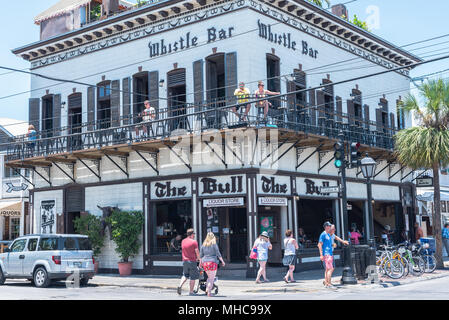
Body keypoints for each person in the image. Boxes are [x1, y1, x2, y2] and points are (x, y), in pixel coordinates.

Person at [318, 222, 349, 289]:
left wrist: (334, 244)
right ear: (326, 227)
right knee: (330, 269)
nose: (332, 228)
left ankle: (326, 283)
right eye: (329, 226)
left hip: (330, 253)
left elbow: (330, 242)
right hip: (327, 254)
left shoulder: (328, 235)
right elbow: (319, 244)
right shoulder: (323, 234)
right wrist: (321, 255)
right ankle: (329, 284)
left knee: (327, 269)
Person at [199, 232, 226, 297]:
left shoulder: (203, 245)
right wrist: (222, 261)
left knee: (209, 278)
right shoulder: (214, 244)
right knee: (212, 279)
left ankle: (207, 289)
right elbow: (218, 254)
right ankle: (209, 292)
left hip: (205, 263)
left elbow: (201, 255)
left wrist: (200, 263)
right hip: (212, 262)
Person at [177, 228, 200, 296]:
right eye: (194, 234)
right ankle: (191, 292)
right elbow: (197, 252)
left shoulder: (183, 241)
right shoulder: (194, 242)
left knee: (185, 275)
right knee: (193, 277)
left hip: (185, 261)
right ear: (192, 234)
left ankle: (180, 285)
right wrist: (199, 259)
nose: (194, 235)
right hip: (192, 261)